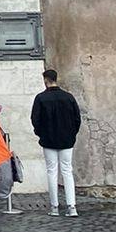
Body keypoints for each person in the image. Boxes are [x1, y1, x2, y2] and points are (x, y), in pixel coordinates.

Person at [30, 68, 82, 217]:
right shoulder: (69, 97)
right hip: (66, 139)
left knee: (51, 171)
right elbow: (77, 119)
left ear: (46, 80)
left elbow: (35, 120)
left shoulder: (40, 98)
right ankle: (72, 207)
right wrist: (72, 134)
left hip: (48, 140)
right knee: (67, 171)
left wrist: (40, 134)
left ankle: (54, 207)